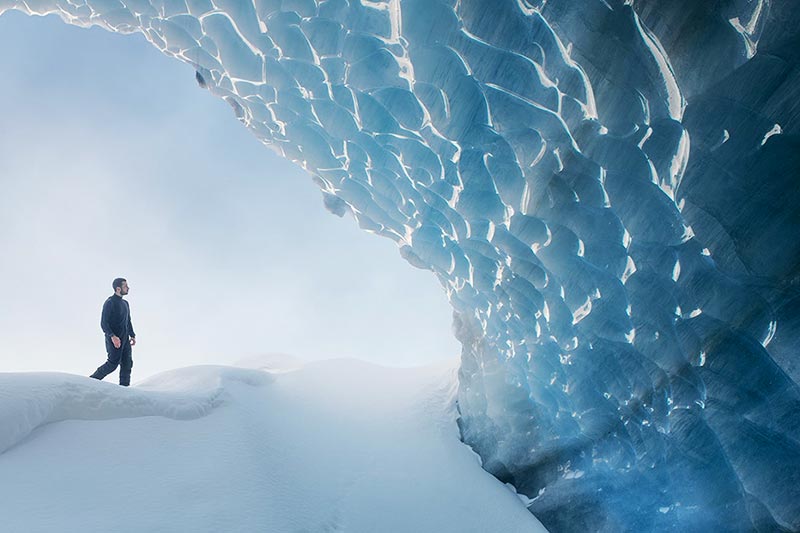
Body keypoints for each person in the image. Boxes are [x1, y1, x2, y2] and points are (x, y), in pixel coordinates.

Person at [90, 278, 137, 386]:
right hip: (114, 339)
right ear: (118, 288)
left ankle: (124, 389)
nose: (128, 288)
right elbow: (103, 323)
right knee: (112, 364)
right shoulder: (110, 302)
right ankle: (91, 381)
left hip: (125, 339)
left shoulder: (125, 303)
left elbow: (128, 321)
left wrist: (132, 335)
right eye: (125, 286)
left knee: (127, 364)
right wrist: (112, 336)